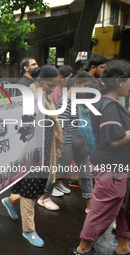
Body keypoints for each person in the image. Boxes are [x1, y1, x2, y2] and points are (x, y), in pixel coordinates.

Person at [1, 65, 63, 247]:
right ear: (39, 81)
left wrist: (56, 145)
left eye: (55, 85)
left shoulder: (44, 97)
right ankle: (28, 229)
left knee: (36, 188)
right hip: (28, 153)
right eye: (50, 85)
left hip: (44, 150)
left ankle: (10, 200)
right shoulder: (27, 97)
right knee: (30, 189)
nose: (53, 89)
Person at [73, 60, 130, 255]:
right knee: (103, 210)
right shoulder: (109, 106)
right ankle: (83, 248)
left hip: (115, 165)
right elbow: (114, 138)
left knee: (122, 207)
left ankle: (123, 246)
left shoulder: (106, 102)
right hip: (112, 168)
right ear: (120, 81)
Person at [38, 71, 94, 212]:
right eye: (85, 86)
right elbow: (60, 124)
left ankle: (90, 204)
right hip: (68, 142)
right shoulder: (66, 101)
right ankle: (44, 197)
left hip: (79, 142)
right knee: (57, 172)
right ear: (76, 84)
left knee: (86, 173)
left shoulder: (76, 100)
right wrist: (59, 145)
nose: (86, 89)